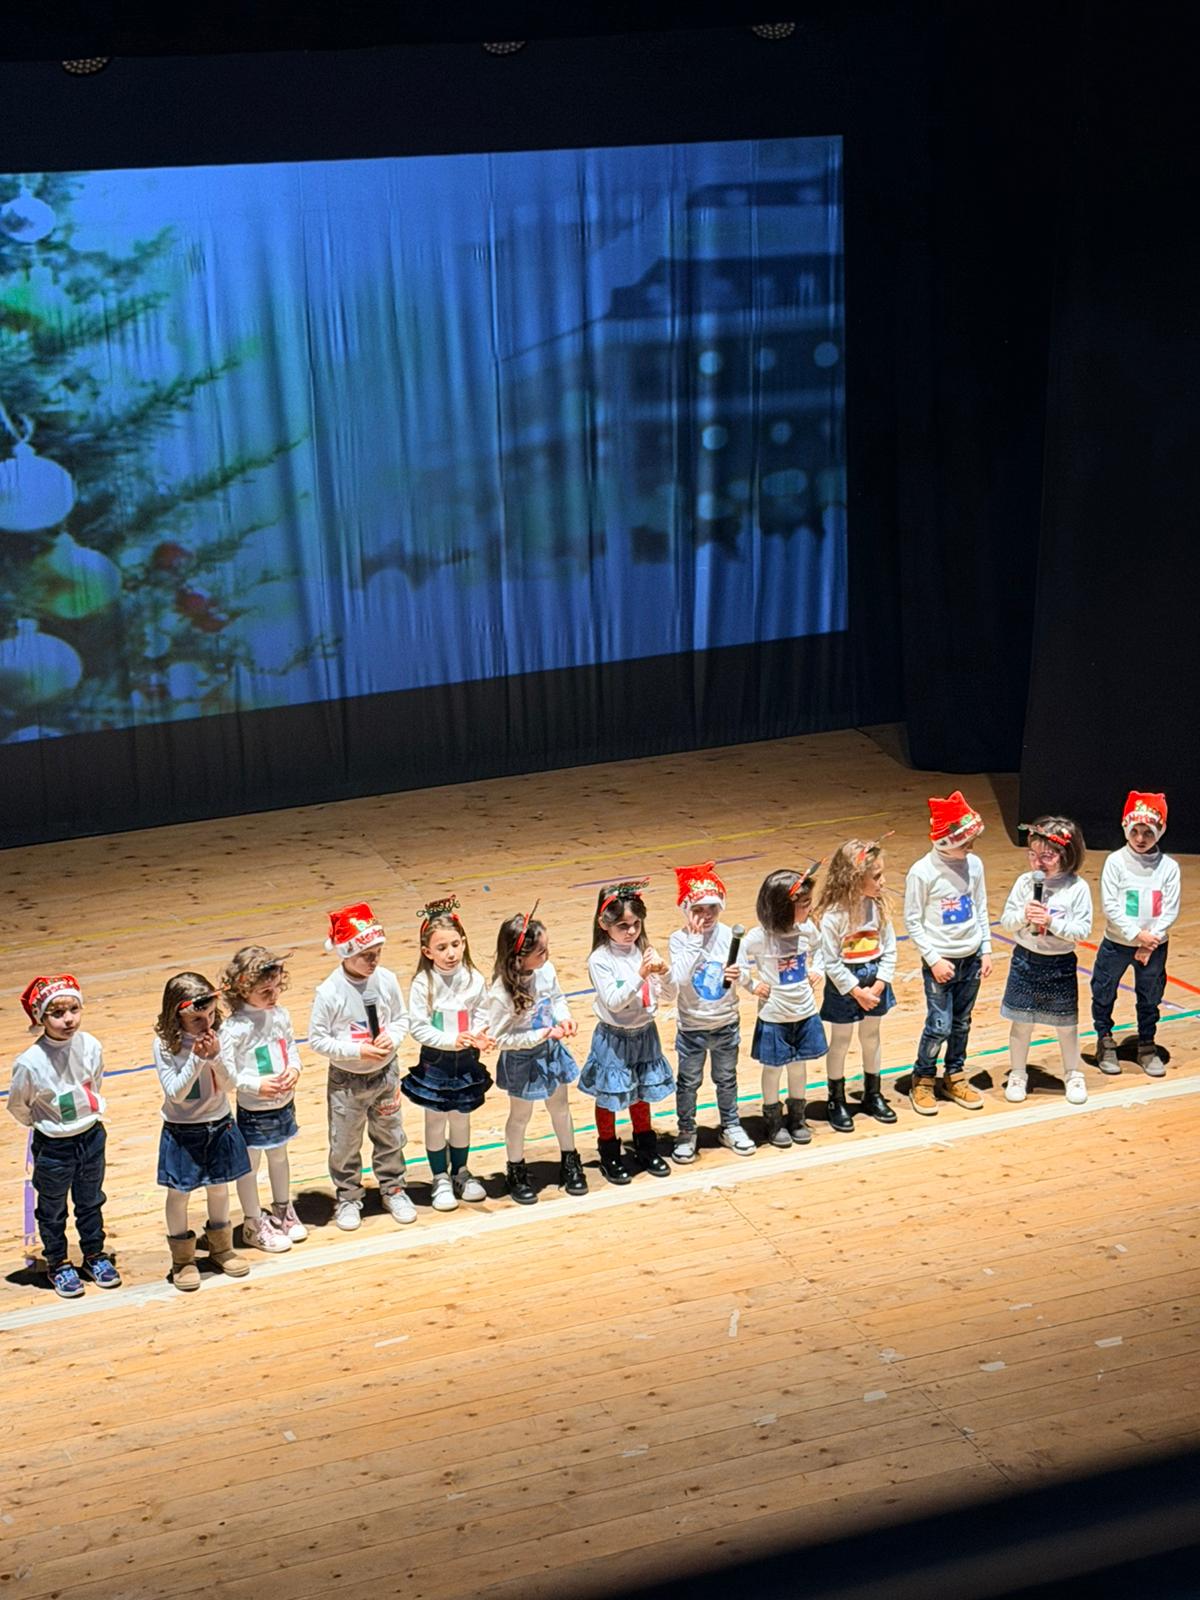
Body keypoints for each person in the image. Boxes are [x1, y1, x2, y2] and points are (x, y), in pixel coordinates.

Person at [7, 974, 120, 1298]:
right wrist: (48, 1126)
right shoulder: (30, 1062)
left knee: (91, 1201)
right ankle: (57, 1261)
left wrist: (82, 1117)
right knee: (53, 1208)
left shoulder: (91, 1045)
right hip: (54, 1147)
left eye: (73, 1009)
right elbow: (19, 1105)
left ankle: (94, 1254)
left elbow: (95, 1082)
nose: (68, 1019)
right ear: (40, 1018)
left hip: (91, 1137)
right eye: (57, 1013)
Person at [309, 902, 414, 1230]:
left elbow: (401, 1018)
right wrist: (357, 1050)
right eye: (365, 955)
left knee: (390, 1134)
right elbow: (318, 1040)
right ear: (345, 953)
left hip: (385, 1073)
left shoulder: (386, 980)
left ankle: (393, 1187)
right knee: (345, 1142)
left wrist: (391, 1039)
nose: (373, 961)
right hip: (347, 1080)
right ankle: (348, 1194)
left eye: (377, 953)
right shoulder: (329, 992)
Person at [153, 972, 251, 1289]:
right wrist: (197, 1060)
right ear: (176, 1014)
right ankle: (182, 1259)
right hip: (182, 1131)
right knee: (178, 1194)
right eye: (197, 1018)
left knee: (220, 1188)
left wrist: (216, 1058)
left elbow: (230, 1084)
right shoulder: (165, 1046)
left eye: (210, 1015)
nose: (206, 1024)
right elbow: (176, 1094)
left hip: (219, 1124)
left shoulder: (220, 1037)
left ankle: (221, 1248)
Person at [486, 907, 588, 1203]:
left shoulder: (546, 970)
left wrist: (564, 1019)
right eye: (540, 951)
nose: (547, 955)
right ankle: (515, 1169)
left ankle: (570, 1160)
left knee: (561, 1108)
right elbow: (500, 1038)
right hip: (522, 1059)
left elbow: (556, 999)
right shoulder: (501, 994)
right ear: (519, 957)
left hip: (550, 1052)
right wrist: (540, 1034)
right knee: (520, 1116)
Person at [578, 879, 676, 1184]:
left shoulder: (644, 950)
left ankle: (645, 1145)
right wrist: (641, 974)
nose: (631, 931)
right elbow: (614, 1001)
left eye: (636, 924)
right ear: (604, 924)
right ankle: (609, 1152)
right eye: (623, 925)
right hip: (614, 1038)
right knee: (609, 1096)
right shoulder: (600, 960)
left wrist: (665, 972)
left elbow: (670, 995)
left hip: (645, 1034)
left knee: (642, 1091)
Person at [904, 791, 993, 1115]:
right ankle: (923, 1078)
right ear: (945, 840)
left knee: (961, 1023)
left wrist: (986, 949)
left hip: (971, 959)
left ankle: (954, 1075)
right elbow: (913, 921)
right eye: (965, 842)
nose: (971, 848)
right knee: (939, 1025)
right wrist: (934, 959)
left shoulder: (974, 865)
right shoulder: (922, 872)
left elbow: (980, 907)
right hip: (941, 962)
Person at [404, 896, 493, 1212]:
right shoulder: (423, 983)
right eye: (441, 948)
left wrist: (479, 1035)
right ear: (427, 952)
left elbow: (483, 1013)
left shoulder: (474, 979)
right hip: (437, 1063)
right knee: (435, 1119)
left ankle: (461, 1171)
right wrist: (452, 1040)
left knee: (461, 1118)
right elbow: (419, 1028)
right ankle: (440, 1176)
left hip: (466, 1061)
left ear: (464, 942)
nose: (451, 953)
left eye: (455, 945)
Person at [1000, 817, 1092, 1104]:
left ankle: (1073, 1073)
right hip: (1025, 961)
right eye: (1033, 855)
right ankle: (1018, 1073)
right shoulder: (1024, 883)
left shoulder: (1077, 888)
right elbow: (1006, 921)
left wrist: (1051, 922)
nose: (1038, 862)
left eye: (1047, 856)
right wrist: (1024, 915)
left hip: (1059, 964)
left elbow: (1082, 931)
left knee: (1066, 1025)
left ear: (1066, 854)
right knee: (1021, 1022)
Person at [668, 861, 754, 1162]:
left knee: (726, 1079)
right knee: (688, 1083)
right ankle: (686, 1131)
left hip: (726, 1024)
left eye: (712, 909)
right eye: (698, 909)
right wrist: (694, 941)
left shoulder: (731, 936)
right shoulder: (679, 940)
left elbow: (745, 975)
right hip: (692, 1028)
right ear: (686, 909)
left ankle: (730, 1125)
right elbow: (679, 979)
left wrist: (739, 975)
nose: (706, 916)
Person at [221, 946, 305, 1252]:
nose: (273, 995)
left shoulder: (280, 1015)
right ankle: (253, 1221)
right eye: (264, 991)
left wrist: (294, 1068)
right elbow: (228, 1075)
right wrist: (257, 1086)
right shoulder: (233, 1028)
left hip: (283, 1104)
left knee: (280, 1156)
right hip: (254, 1109)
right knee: (250, 1165)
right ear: (243, 989)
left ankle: (282, 1209)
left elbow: (291, 1047)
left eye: (276, 987)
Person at [1092, 792, 1180, 1078]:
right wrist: (1136, 935)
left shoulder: (1168, 867)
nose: (1141, 838)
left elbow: (1170, 908)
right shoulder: (1116, 862)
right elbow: (1110, 905)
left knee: (1150, 995)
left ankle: (1146, 1043)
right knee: (1104, 990)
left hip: (1154, 946)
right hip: (1117, 944)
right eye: (1135, 831)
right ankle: (1105, 1039)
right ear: (1126, 828)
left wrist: (1151, 940)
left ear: (1160, 831)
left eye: (1148, 832)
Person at [739, 865, 827, 1148]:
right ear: (782, 907)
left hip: (804, 1012)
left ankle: (797, 1117)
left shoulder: (807, 930)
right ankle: (773, 1119)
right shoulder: (759, 937)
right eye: (804, 904)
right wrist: (752, 984)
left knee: (799, 1066)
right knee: (773, 1069)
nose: (809, 908)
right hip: (774, 1015)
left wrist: (818, 969)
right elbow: (736, 959)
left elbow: (822, 949)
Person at [817, 838, 898, 1131]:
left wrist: (880, 983)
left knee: (871, 1036)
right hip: (846, 984)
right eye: (876, 876)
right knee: (840, 1041)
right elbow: (831, 962)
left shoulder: (878, 907)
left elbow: (890, 948)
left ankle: (872, 1093)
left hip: (874, 980)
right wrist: (855, 990)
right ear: (854, 878)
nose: (882, 882)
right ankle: (835, 1099)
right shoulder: (833, 916)